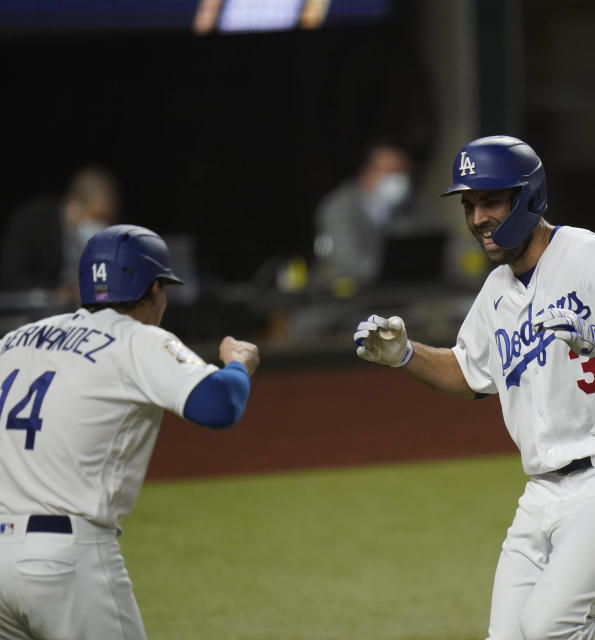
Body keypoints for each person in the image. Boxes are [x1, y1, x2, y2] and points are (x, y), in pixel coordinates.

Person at [353, 135, 595, 640]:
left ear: (528, 197)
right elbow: (469, 373)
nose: (477, 219)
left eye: (490, 201)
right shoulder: (496, 292)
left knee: (549, 629)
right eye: (469, 206)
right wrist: (405, 355)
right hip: (541, 493)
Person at [0, 224, 260, 639]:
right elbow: (219, 404)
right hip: (65, 561)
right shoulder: (135, 340)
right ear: (154, 289)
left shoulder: (15, 340)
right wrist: (237, 364)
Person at [312, 142, 438, 294]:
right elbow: (351, 265)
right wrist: (402, 267)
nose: (398, 179)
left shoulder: (412, 205)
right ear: (366, 174)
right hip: (342, 299)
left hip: (394, 300)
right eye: (390, 171)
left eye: (403, 172)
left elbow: (432, 245)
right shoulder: (339, 208)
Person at [0, 166, 121, 304]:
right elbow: (10, 276)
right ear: (73, 205)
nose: (101, 225)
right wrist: (57, 292)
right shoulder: (35, 221)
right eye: (96, 217)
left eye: (106, 219)